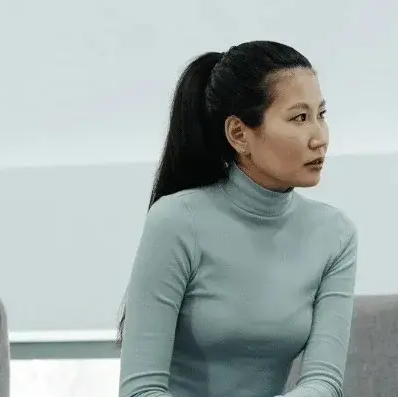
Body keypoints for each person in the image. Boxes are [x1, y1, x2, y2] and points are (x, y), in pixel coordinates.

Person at [117, 41, 357, 397]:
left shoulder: (334, 235)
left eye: (321, 115)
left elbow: (324, 383)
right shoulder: (177, 222)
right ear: (239, 134)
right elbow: (141, 389)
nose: (319, 138)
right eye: (299, 118)